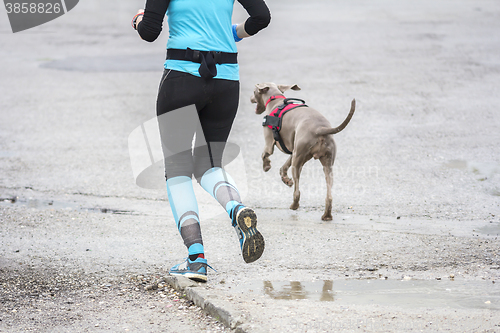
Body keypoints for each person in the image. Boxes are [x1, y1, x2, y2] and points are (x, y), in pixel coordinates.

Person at [132, 0, 271, 282]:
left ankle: (196, 260)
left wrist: (137, 20)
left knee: (178, 171)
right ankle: (236, 208)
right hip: (226, 80)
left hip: (181, 78)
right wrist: (232, 32)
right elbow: (262, 17)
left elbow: (149, 31)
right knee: (209, 163)